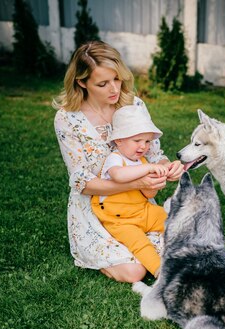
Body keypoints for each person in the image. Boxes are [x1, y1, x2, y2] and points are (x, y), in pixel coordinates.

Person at [53, 40, 183, 283]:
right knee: (135, 272)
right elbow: (83, 183)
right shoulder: (68, 119)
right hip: (95, 207)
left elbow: (155, 155)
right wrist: (137, 182)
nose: (114, 89)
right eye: (102, 84)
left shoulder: (133, 105)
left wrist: (168, 168)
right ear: (82, 82)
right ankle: (100, 255)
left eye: (117, 79)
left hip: (138, 205)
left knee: (180, 238)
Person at [91, 105, 172, 278]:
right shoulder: (116, 158)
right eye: (137, 141)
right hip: (119, 219)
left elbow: (148, 195)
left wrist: (154, 184)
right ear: (119, 140)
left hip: (142, 210)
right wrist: (149, 167)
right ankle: (160, 271)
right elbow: (119, 176)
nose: (143, 146)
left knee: (170, 220)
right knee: (139, 242)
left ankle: (186, 250)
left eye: (147, 141)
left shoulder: (141, 161)